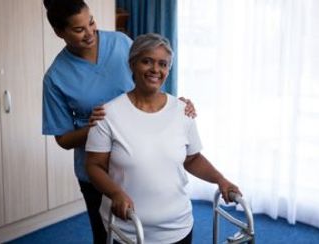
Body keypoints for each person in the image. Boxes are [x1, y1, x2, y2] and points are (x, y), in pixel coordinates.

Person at [42, 1, 195, 243]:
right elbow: (62, 139)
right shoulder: (56, 77)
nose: (90, 33)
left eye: (91, 22)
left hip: (143, 161)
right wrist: (97, 127)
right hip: (99, 171)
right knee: (108, 237)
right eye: (79, 30)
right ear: (60, 32)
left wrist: (175, 105)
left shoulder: (122, 43)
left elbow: (151, 74)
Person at [85, 33, 241, 244]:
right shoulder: (108, 114)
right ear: (133, 64)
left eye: (163, 64)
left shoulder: (183, 111)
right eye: (146, 61)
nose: (155, 70)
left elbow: (193, 159)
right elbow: (94, 166)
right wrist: (115, 193)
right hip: (128, 229)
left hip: (177, 226)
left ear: (168, 69)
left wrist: (220, 179)